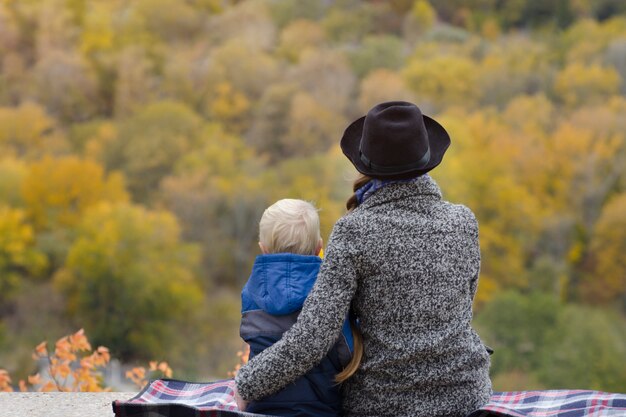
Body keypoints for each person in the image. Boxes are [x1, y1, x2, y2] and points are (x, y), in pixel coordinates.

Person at [235, 101, 492, 417]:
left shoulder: (353, 230)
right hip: (463, 398)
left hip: (382, 404)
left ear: (365, 164)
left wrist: (247, 383)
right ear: (427, 159)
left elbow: (313, 338)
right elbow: (462, 308)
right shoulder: (463, 221)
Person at [239, 198, 359, 417]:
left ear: (263, 249)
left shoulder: (250, 292)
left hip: (261, 408)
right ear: (319, 248)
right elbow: (348, 352)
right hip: (320, 408)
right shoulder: (327, 293)